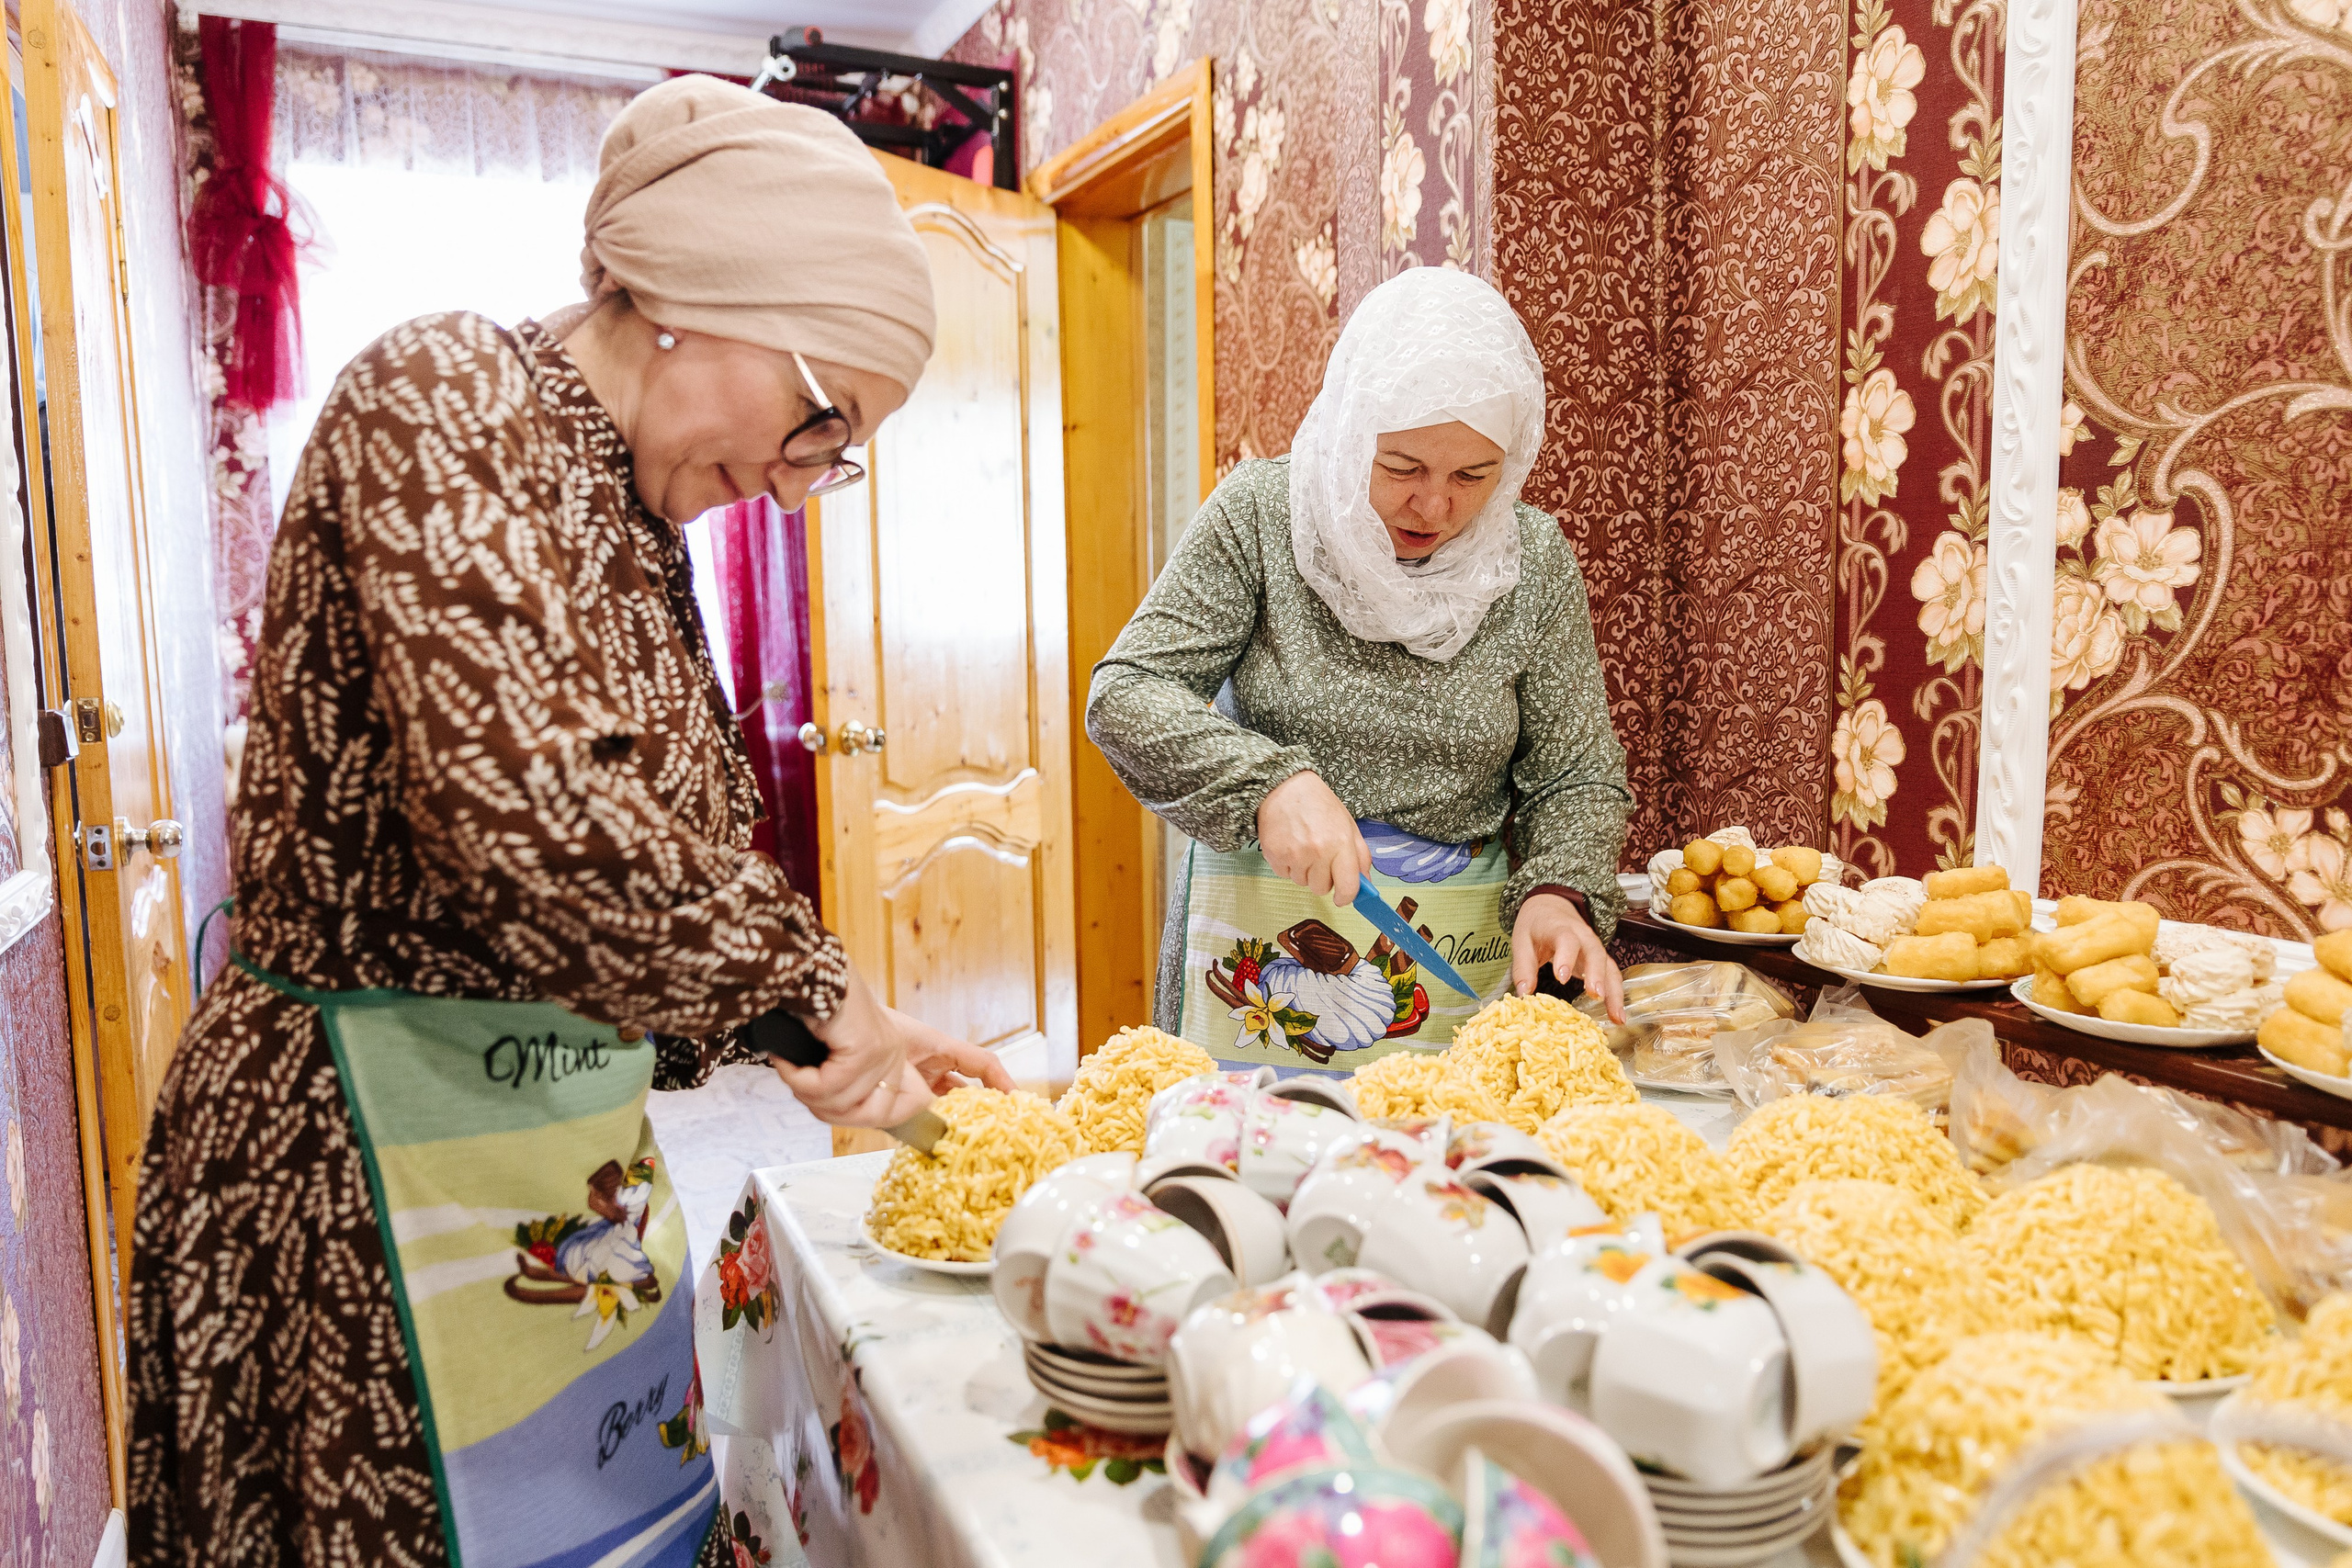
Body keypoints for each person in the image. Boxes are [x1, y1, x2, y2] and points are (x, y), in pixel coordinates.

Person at [128, 77, 1007, 1567]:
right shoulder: (444, 395)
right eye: (823, 422)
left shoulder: (635, 521)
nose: (798, 490)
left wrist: (837, 1027)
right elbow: (533, 825)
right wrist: (809, 990)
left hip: (541, 1150)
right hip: (358, 1171)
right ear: (703, 295)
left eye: (835, 454)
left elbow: (663, 867)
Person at [1088, 267, 1632, 1069]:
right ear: (1349, 431)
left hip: (1452, 962)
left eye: (1473, 476)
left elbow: (1576, 774)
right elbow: (1127, 693)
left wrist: (1558, 892)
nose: (1435, 507)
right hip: (1257, 954)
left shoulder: (1533, 560)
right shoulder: (1262, 516)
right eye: (1402, 466)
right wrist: (1269, 784)